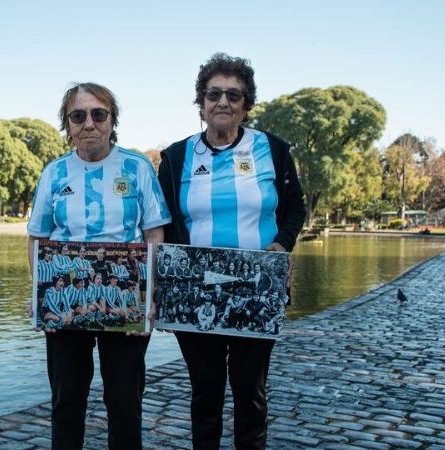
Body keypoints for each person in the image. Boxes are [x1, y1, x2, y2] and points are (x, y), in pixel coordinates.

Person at [157, 53, 305, 450]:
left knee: (249, 392)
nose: (222, 102)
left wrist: (282, 244)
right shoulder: (175, 157)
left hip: (257, 289)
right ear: (201, 103)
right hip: (197, 291)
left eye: (233, 95)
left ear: (246, 104)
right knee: (205, 392)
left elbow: (296, 208)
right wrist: (166, 289)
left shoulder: (272, 150)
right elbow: (164, 222)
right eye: (213, 94)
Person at [27, 82, 171, 450]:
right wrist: (39, 295)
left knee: (124, 403)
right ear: (68, 124)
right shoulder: (54, 173)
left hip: (124, 302)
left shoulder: (137, 167)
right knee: (65, 403)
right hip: (64, 302)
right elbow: (37, 238)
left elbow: (155, 234)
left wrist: (147, 297)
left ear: (111, 120)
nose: (88, 123)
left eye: (98, 114)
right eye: (78, 116)